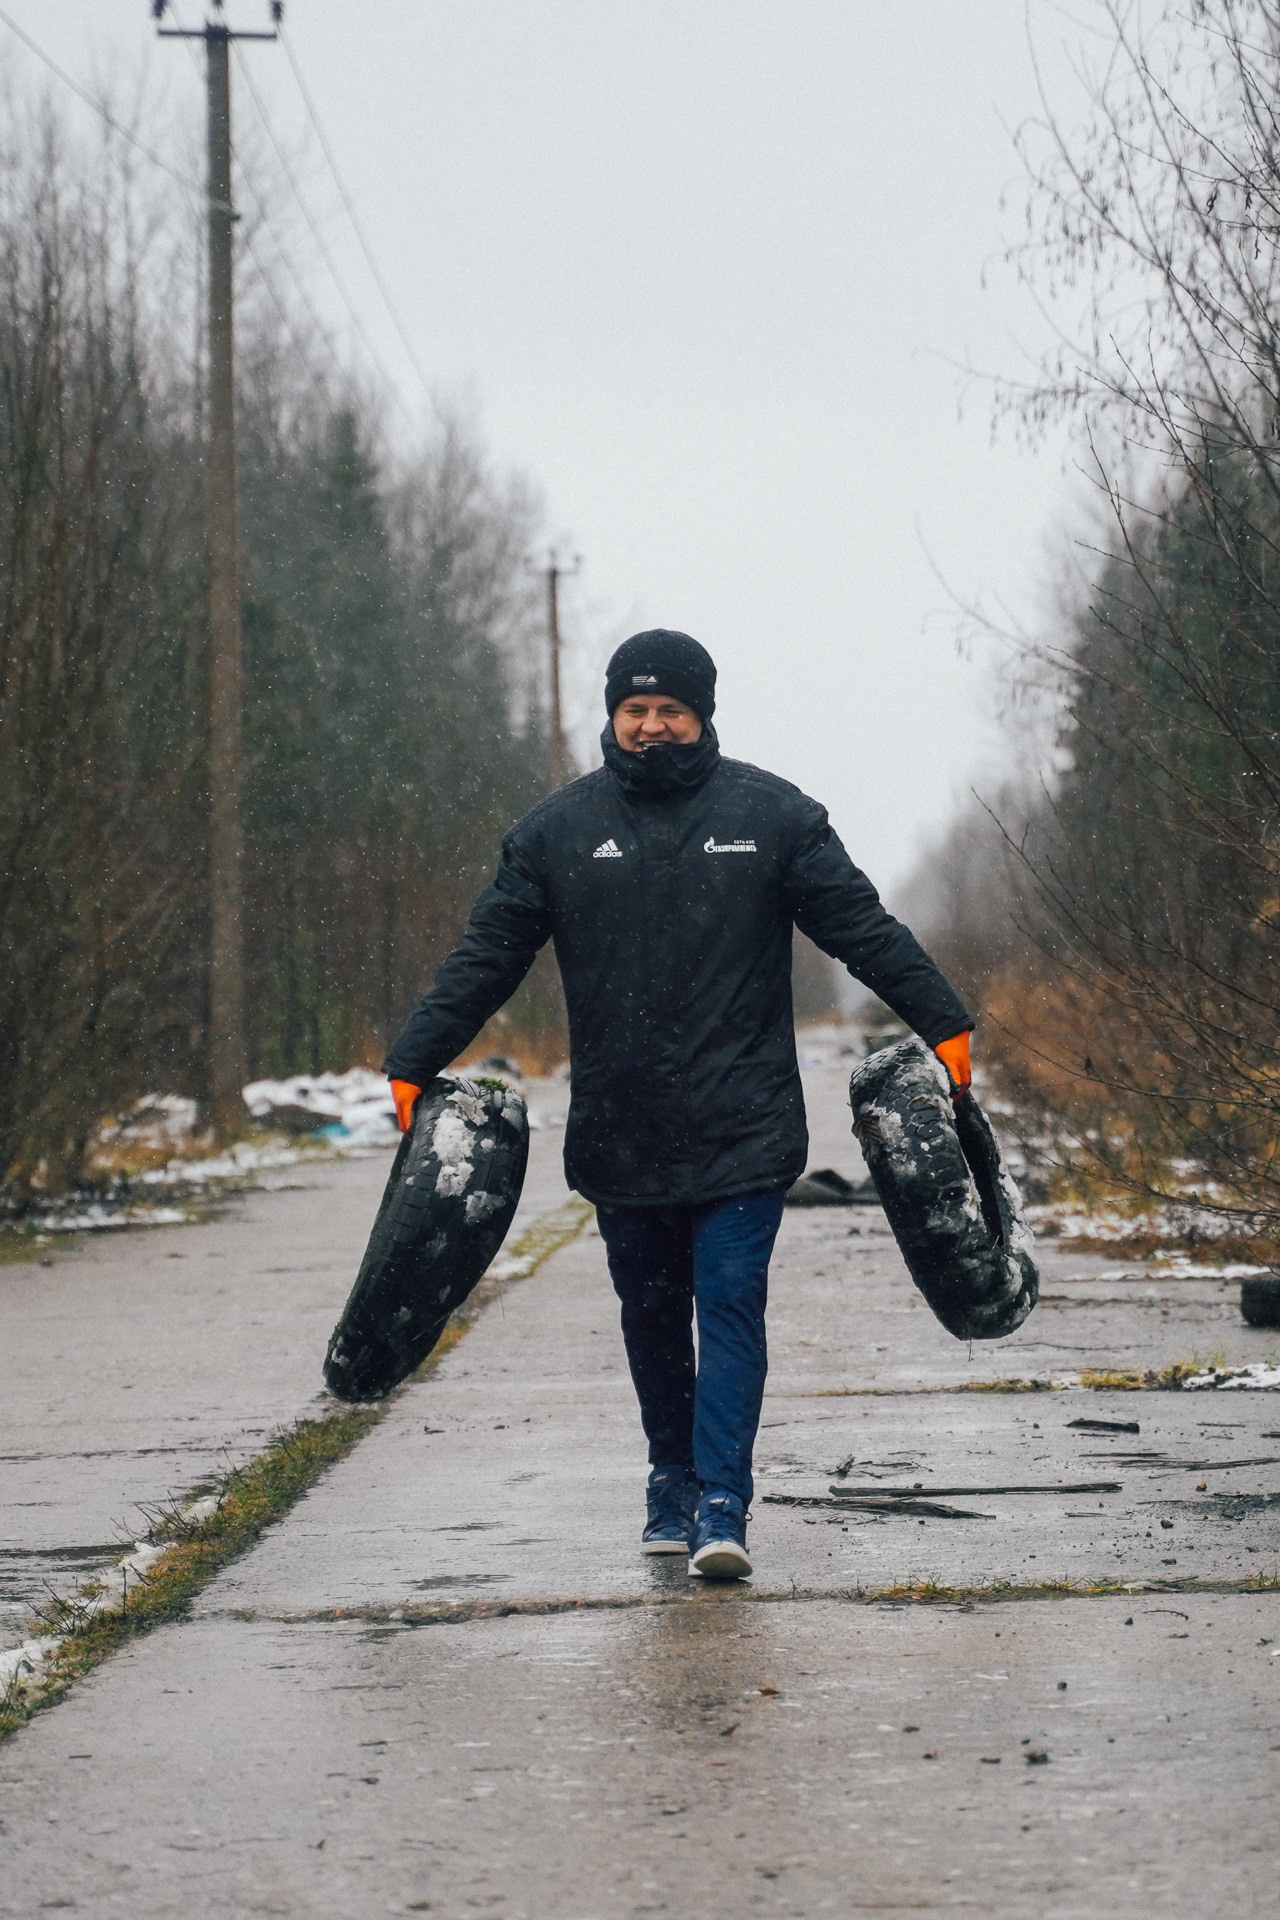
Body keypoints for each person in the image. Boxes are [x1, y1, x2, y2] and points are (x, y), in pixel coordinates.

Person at [383, 630, 972, 1579]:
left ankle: (724, 1502)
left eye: (671, 710)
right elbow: (486, 955)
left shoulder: (773, 817)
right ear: (612, 715)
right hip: (623, 1123)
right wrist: (415, 1057)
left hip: (744, 1120)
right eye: (635, 710)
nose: (652, 726)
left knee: (729, 1300)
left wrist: (942, 1020)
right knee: (650, 1314)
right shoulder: (556, 834)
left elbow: (862, 927)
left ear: (703, 714)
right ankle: (671, 1477)